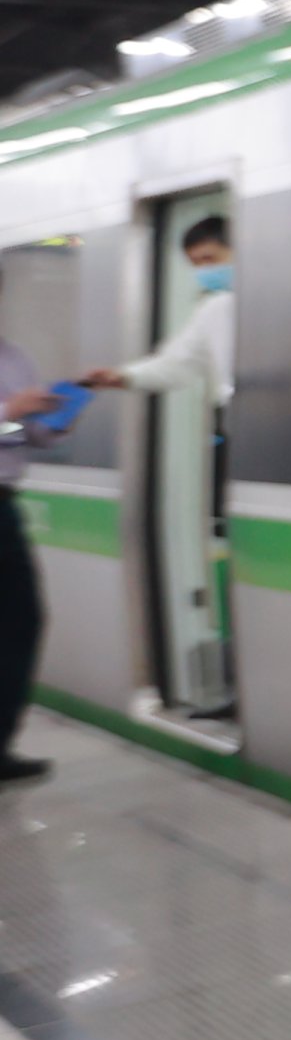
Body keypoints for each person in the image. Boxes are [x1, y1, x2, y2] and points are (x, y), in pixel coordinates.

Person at [0, 333, 64, 781]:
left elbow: (29, 436)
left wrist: (56, 421)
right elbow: (9, 424)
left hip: (3, 502)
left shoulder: (14, 355)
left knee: (23, 620)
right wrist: (11, 413)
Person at [83, 216, 231, 403]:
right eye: (195, 263)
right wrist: (124, 376)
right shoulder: (215, 307)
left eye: (209, 258)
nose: (203, 270)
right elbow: (177, 364)